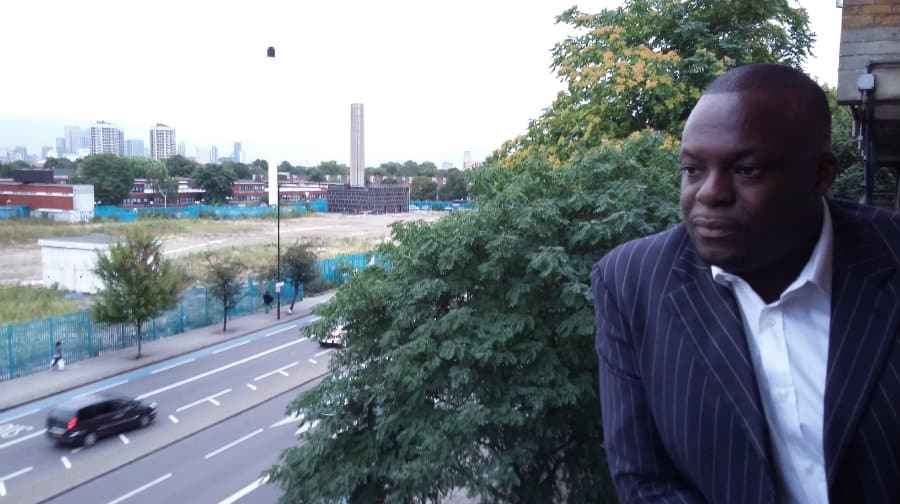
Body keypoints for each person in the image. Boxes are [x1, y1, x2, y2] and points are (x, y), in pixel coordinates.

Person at [591, 63, 900, 504]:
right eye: (693, 170)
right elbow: (645, 480)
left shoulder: (888, 258)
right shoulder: (631, 282)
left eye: (747, 170)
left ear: (820, 176)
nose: (710, 194)